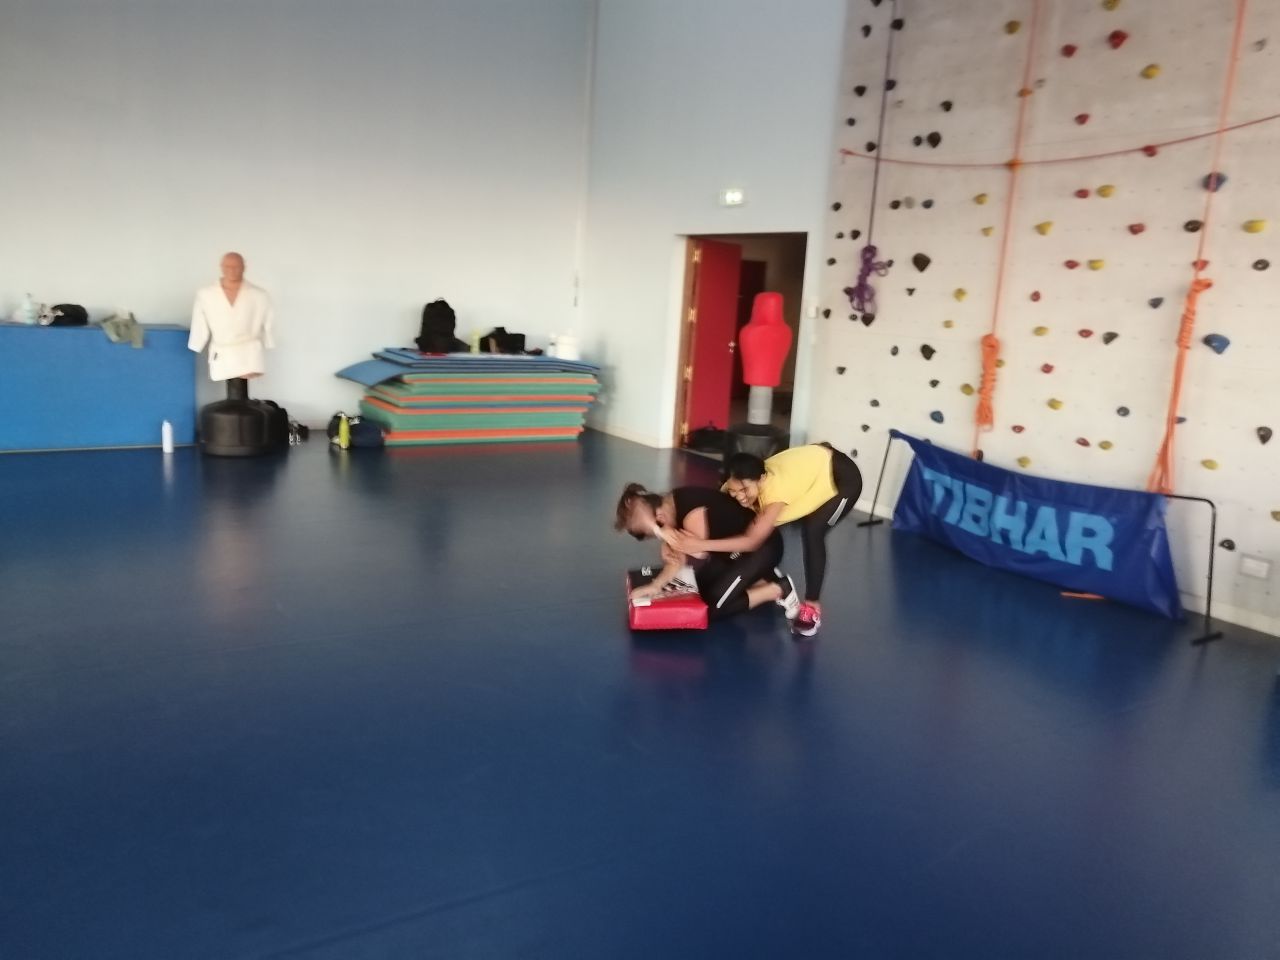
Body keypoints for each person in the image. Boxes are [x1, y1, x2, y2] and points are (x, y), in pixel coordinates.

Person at [668, 444, 862, 638]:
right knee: (749, 520)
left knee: (814, 531)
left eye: (745, 489)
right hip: (809, 464)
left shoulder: (774, 492)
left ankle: (811, 606)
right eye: (735, 491)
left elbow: (752, 541)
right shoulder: (729, 488)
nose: (740, 496)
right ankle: (765, 574)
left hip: (843, 478)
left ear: (761, 480)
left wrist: (699, 545)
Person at [614, 483, 799, 622]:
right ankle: (761, 577)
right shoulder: (669, 506)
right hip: (732, 553)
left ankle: (778, 588)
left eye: (656, 533)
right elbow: (677, 559)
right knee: (699, 590)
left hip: (761, 549)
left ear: (660, 518)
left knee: (708, 610)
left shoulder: (690, 512)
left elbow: (698, 552)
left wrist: (673, 539)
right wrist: (656, 585)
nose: (660, 537)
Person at [189, 252, 276, 382]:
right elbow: (199, 323)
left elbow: (269, 321)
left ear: (244, 267)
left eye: (236, 267)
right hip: (222, 351)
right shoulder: (206, 295)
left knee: (242, 386)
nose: (232, 270)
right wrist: (196, 344)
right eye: (228, 267)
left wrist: (269, 340)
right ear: (221, 267)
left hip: (249, 353)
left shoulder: (259, 295)